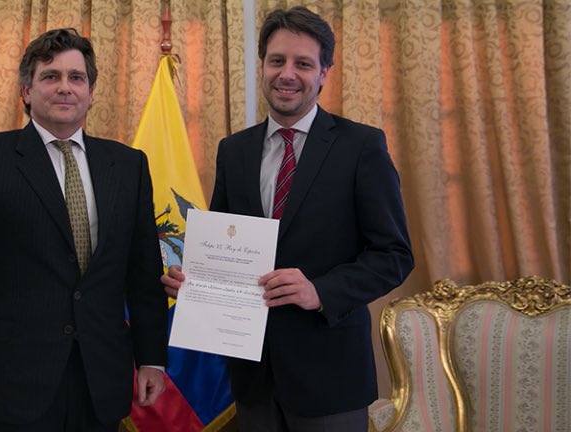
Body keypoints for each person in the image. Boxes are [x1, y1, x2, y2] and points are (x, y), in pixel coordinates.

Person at [162, 7, 414, 431]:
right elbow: (225, 246)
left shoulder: (361, 146)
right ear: (262, 65)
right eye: (277, 60)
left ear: (324, 73)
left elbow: (394, 255)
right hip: (252, 378)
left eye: (303, 64)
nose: (287, 74)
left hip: (330, 376)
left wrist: (319, 291)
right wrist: (195, 283)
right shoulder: (233, 151)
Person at [0, 28, 169, 432]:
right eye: (50, 76)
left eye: (77, 77)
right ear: (27, 91)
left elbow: (143, 274)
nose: (65, 87)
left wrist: (152, 358)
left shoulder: (129, 166)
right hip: (11, 385)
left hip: (100, 381)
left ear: (91, 93)